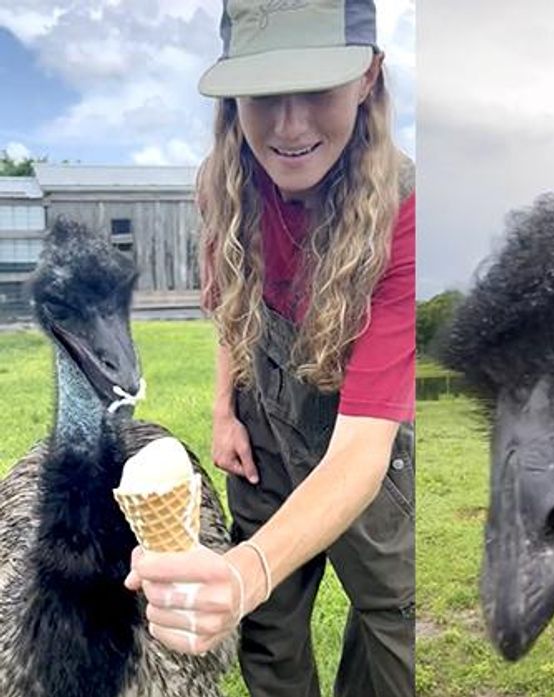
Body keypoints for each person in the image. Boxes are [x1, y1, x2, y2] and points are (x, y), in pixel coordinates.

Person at [124, 1, 416, 695]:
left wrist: (243, 568)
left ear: (369, 76)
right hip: (263, 422)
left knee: (392, 618)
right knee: (270, 631)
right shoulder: (222, 182)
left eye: (316, 88)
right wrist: (225, 411)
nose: (288, 127)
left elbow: (362, 448)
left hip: (357, 427)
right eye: (261, 94)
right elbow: (232, 306)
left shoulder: (405, 211)